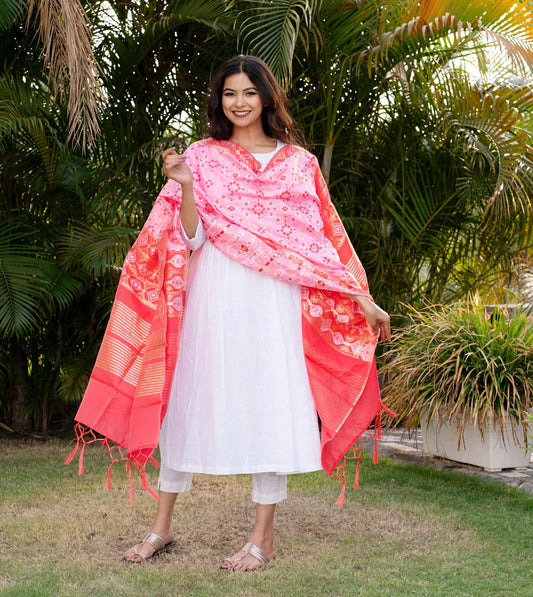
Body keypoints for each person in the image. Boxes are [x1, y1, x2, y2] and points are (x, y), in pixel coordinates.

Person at [69, 55, 391, 571]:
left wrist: (362, 299)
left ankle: (262, 537)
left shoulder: (298, 164)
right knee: (189, 397)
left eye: (248, 92)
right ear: (219, 101)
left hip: (276, 304)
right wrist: (187, 186)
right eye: (228, 94)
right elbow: (191, 237)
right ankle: (161, 528)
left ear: (267, 96)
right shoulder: (201, 156)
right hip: (214, 295)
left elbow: (323, 246)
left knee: (271, 402)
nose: (238, 103)